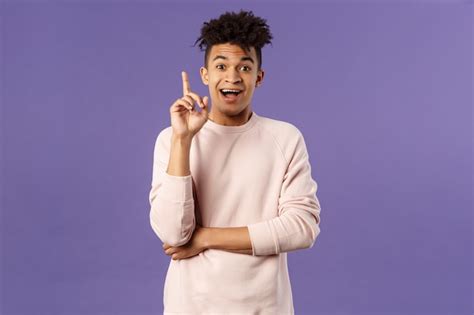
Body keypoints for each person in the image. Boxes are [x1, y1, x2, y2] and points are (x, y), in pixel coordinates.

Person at [148, 9, 322, 314]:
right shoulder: (172, 140)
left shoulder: (285, 138)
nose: (232, 77)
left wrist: (205, 238)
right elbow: (173, 234)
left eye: (244, 67)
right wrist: (183, 139)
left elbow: (302, 227)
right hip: (191, 305)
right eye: (221, 65)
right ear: (205, 75)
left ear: (259, 77)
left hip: (265, 307)